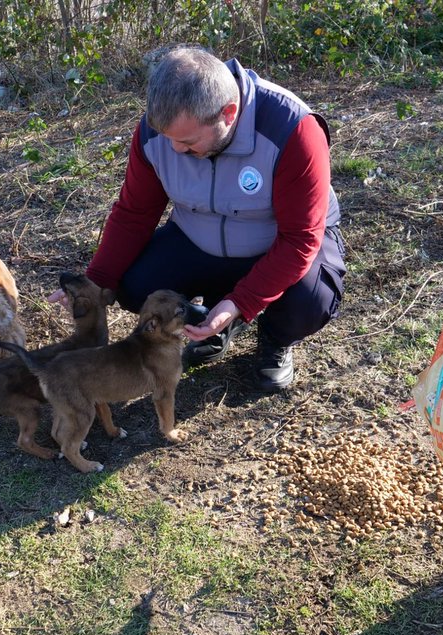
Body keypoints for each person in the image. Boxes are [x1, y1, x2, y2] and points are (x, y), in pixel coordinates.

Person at [47, 46, 347, 392]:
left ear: (228, 113)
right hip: (198, 237)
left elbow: (299, 240)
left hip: (280, 244)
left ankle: (274, 339)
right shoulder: (154, 134)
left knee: (311, 302)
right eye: (169, 138)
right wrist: (95, 283)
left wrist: (241, 303)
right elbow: (134, 213)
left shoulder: (292, 129)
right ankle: (216, 319)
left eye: (187, 141)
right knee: (132, 284)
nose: (175, 150)